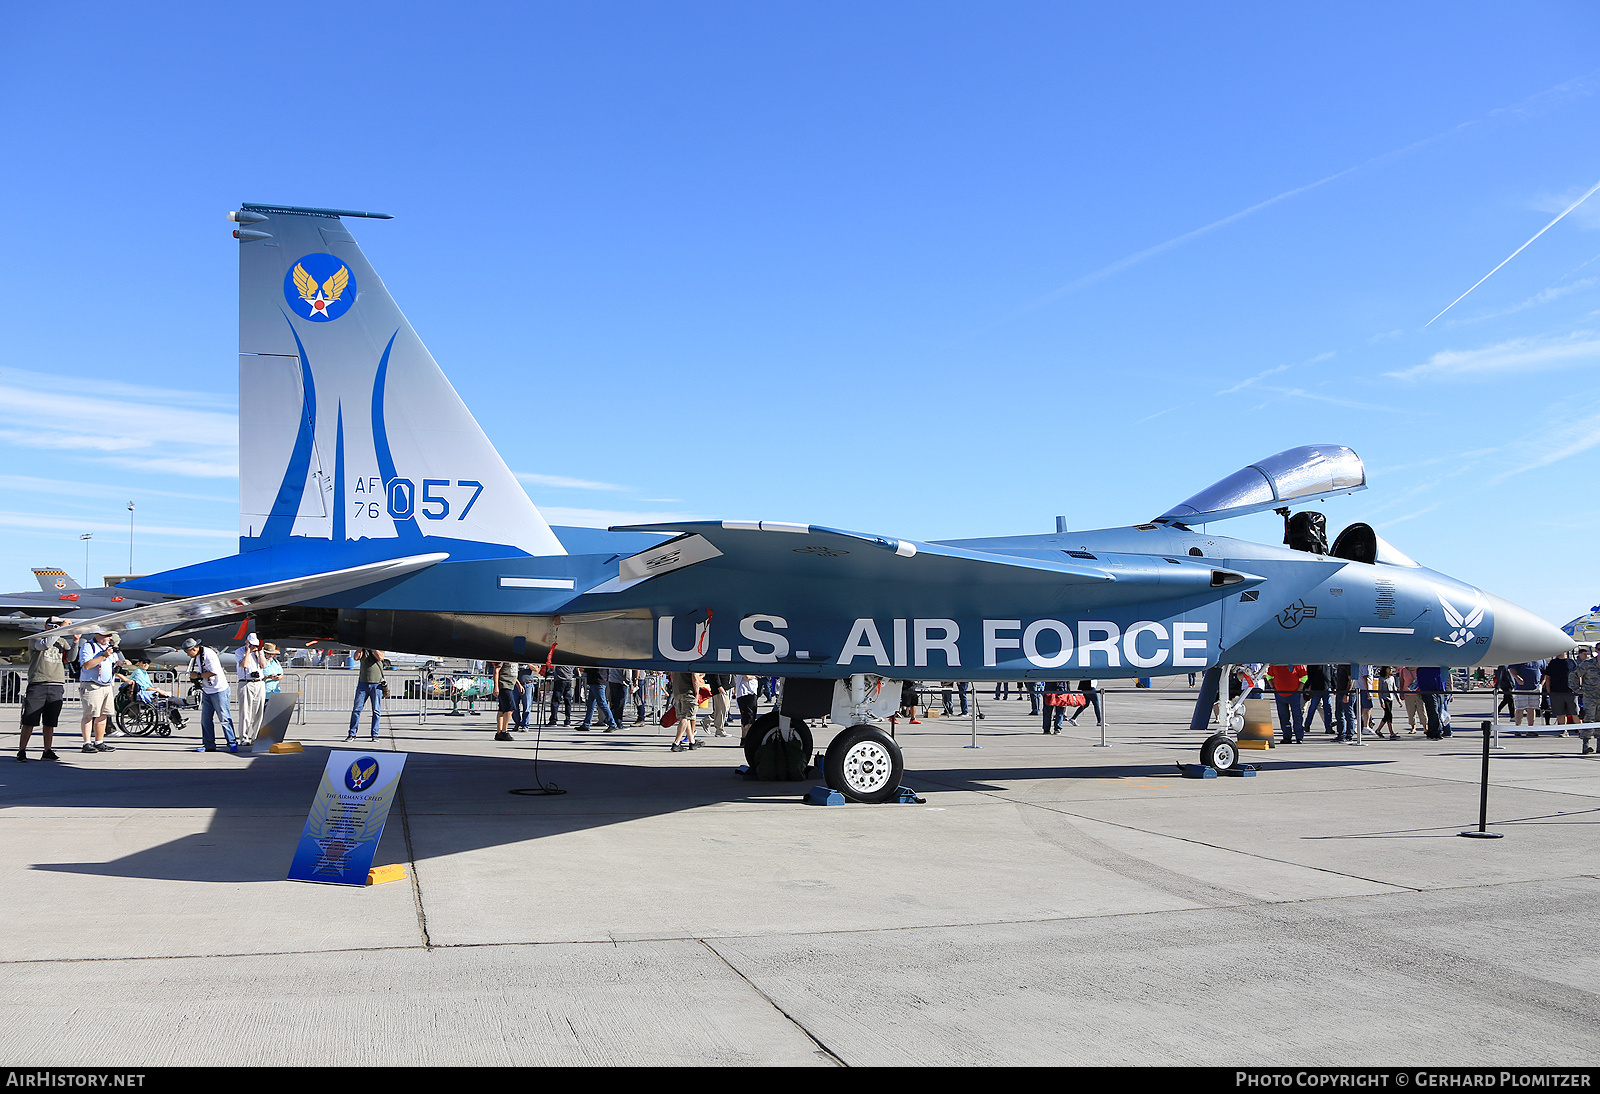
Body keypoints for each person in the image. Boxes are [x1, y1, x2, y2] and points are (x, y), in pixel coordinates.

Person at [17, 618, 71, 762]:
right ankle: (22, 750)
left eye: (58, 625)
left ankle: (47, 750)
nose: (57, 627)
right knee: (29, 720)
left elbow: (70, 657)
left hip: (56, 683)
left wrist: (76, 641)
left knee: (50, 721)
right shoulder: (36, 638)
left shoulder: (61, 640)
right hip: (38, 683)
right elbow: (45, 645)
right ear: (46, 625)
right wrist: (60, 629)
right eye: (54, 625)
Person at [183, 637, 237, 752]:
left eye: (187, 652)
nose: (187, 655)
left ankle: (232, 743)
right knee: (206, 719)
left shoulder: (208, 654)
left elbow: (214, 672)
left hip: (219, 690)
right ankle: (209, 744)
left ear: (194, 649)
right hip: (208, 690)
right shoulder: (198, 655)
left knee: (224, 717)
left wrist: (198, 676)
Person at [77, 628, 120, 754]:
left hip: (106, 685)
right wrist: (103, 655)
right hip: (92, 685)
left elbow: (113, 662)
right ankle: (86, 743)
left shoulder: (109, 648)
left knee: (103, 715)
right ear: (98, 635)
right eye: (106, 636)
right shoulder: (88, 647)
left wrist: (120, 663)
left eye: (109, 636)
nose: (108, 638)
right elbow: (87, 665)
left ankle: (99, 741)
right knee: (89, 714)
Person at [234, 633, 268, 749]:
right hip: (246, 682)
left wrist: (259, 653)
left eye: (256, 646)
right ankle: (244, 737)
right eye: (252, 645)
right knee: (245, 712)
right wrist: (248, 651)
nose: (254, 648)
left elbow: (263, 665)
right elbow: (244, 665)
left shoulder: (259, 652)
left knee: (259, 712)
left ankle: (256, 736)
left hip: (259, 682)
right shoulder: (240, 652)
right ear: (247, 643)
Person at [348, 648, 385, 742]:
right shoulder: (363, 650)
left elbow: (380, 657)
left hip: (376, 684)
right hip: (363, 684)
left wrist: (373, 648)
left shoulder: (378, 648)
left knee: (376, 711)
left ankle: (375, 734)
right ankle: (352, 733)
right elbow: (356, 657)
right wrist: (360, 647)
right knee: (356, 710)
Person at [1266, 664, 1306, 744]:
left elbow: (1304, 677)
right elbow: (1269, 676)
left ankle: (1299, 736)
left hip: (1294, 695)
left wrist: (1299, 689)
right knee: (1283, 716)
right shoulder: (1275, 665)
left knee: (1297, 715)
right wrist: (1273, 688)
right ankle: (1287, 736)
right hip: (1280, 694)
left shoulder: (1297, 664)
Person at [1542, 652, 1579, 726]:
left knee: (1575, 713)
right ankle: (1563, 730)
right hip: (1556, 692)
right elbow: (1548, 677)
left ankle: (1581, 731)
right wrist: (1549, 691)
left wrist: (1578, 688)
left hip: (1570, 692)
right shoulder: (1553, 663)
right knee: (1560, 714)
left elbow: (1578, 675)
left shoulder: (1571, 662)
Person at [669, 671, 702, 751]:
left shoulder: (677, 662)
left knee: (685, 717)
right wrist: (697, 692)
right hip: (688, 692)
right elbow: (695, 677)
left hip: (678, 691)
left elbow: (672, 676)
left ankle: (692, 741)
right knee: (685, 717)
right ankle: (676, 743)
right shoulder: (692, 662)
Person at [578, 666, 619, 731]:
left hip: (598, 681)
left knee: (602, 703)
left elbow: (596, 670)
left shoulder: (597, 661)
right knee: (590, 704)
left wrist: (585, 670)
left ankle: (612, 724)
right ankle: (586, 724)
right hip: (596, 681)